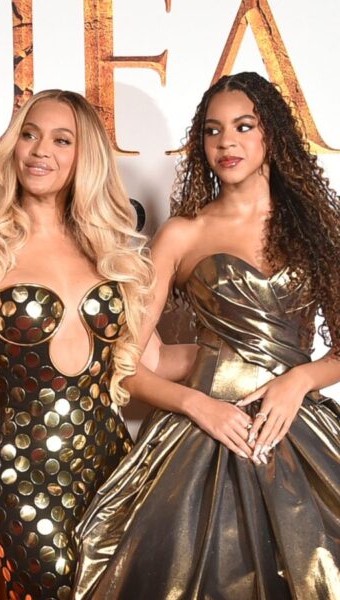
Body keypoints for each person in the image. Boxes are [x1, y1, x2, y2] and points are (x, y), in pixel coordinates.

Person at [73, 72, 340, 599]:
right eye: (213, 131)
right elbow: (122, 367)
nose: (227, 142)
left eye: (244, 126)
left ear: (273, 136)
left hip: (297, 428)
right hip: (201, 435)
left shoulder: (317, 228)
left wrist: (299, 380)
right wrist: (200, 406)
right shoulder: (183, 233)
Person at [0, 89, 155, 600]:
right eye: (29, 134)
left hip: (112, 461)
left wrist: (249, 367)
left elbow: (152, 362)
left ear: (83, 155)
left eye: (60, 140)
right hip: (19, 468)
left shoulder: (108, 248)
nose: (39, 150)